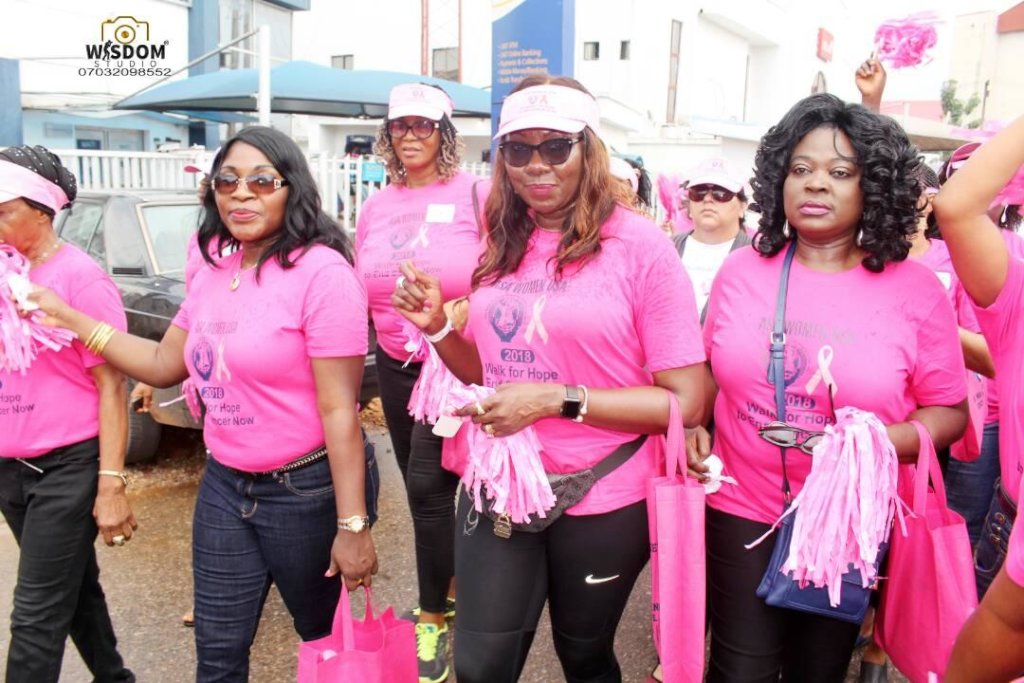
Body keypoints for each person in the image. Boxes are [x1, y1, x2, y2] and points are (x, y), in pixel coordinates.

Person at [27, 126, 377, 683]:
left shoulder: (324, 275)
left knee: (327, 646)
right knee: (216, 653)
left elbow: (341, 411)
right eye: (228, 181)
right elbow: (166, 364)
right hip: (224, 485)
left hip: (304, 492)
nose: (242, 194)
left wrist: (353, 523)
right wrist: (70, 318)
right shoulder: (219, 270)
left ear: (293, 189)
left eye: (262, 181)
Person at [393, 75, 707, 683]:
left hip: (602, 493)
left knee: (583, 655)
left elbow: (686, 400)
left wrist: (556, 401)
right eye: (518, 149)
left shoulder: (641, 248)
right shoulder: (502, 241)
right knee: (480, 665)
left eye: (555, 146)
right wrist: (436, 329)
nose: (536, 165)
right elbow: (492, 373)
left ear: (588, 150)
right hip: (501, 479)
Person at [691, 93, 968, 682]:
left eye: (840, 172)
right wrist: (696, 423)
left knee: (817, 670)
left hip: (850, 514)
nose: (816, 185)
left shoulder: (916, 291)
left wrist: (872, 442)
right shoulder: (741, 271)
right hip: (741, 501)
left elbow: (949, 412)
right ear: (778, 181)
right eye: (801, 169)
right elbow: (710, 371)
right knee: (740, 670)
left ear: (874, 186)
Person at [356, 81, 483, 683]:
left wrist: (463, 307)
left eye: (423, 126)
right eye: (400, 126)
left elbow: (502, 264)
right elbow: (362, 284)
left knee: (431, 485)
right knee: (419, 488)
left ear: (444, 133)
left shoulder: (474, 194)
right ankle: (453, 581)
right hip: (395, 364)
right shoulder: (378, 205)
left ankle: (432, 614)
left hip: (451, 362)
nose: (410, 136)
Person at [0, 145, 136, 682]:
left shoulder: (81, 279)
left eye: (4, 209)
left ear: (41, 209)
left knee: (34, 613)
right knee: (73, 590)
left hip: (67, 468)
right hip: (10, 468)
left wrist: (110, 483)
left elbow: (113, 383)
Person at [934, 115, 1024, 610]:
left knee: (962, 524)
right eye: (962, 171)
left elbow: (992, 354)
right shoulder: (926, 252)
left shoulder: (1012, 255)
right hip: (932, 408)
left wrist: (927, 328)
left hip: (984, 416)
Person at [672, 157, 753, 320]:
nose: (708, 199)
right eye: (699, 192)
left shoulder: (757, 256)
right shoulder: (666, 249)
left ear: (742, 207)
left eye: (720, 193)